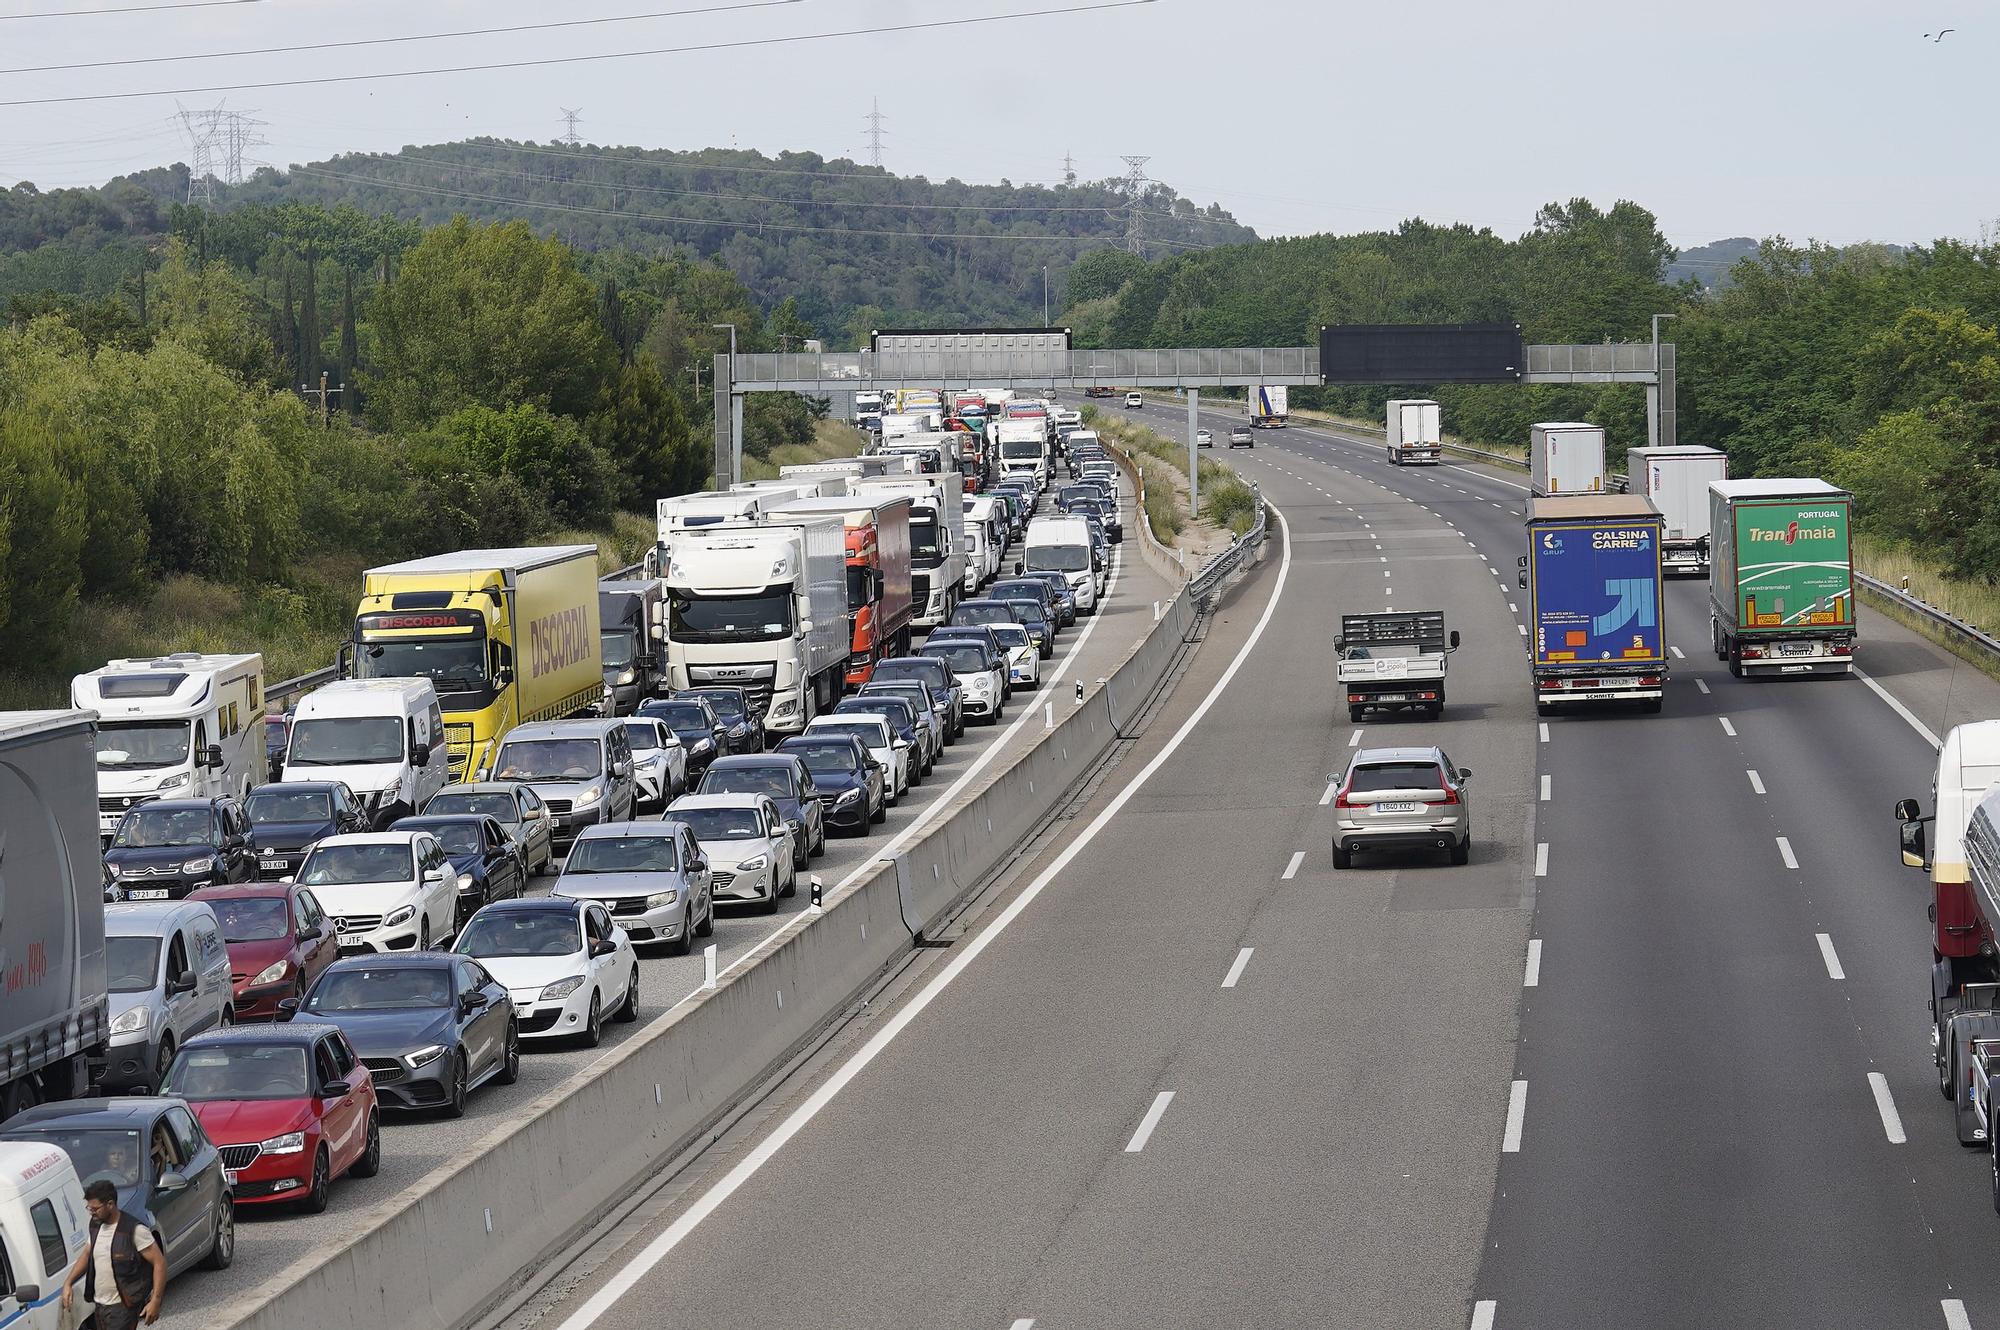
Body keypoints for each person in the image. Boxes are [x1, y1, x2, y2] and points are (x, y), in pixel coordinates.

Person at [60, 1178, 167, 1328]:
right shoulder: (96, 1226)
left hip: (123, 1307)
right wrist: (68, 1283)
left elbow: (159, 1263)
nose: (91, 1213)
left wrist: (155, 1300)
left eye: (95, 1209)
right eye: (89, 1208)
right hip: (100, 1307)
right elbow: (86, 1255)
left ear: (110, 1204)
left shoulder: (134, 1230)